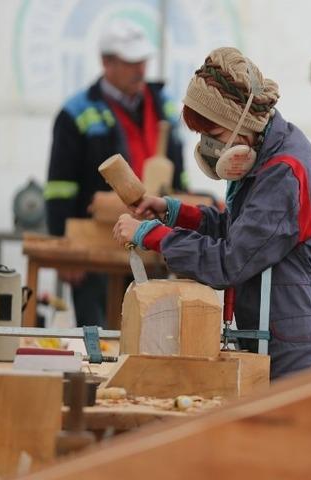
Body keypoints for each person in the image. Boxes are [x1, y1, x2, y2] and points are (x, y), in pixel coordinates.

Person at [112, 47, 311, 379]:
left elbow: (231, 261)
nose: (209, 147)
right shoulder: (269, 151)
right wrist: (171, 212)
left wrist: (151, 236)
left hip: (303, 356)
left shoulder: (284, 171)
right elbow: (241, 231)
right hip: (284, 341)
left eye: (213, 135)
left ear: (241, 121)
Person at [45, 19, 185, 327]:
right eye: (131, 62)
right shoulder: (76, 112)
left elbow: (180, 177)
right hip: (95, 247)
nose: (140, 70)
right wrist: (63, 250)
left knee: (151, 334)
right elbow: (59, 189)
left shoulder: (165, 105)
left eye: (143, 61)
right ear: (106, 62)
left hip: (153, 243)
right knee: (98, 338)